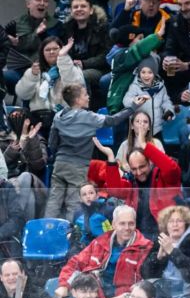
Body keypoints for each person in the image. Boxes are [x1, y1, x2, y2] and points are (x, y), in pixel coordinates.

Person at [46, 84, 144, 221]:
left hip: (60, 164)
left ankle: (47, 230)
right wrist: (132, 107)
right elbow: (112, 120)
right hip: (78, 166)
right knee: (73, 203)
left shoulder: (58, 116)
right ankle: (72, 235)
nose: (88, 97)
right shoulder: (88, 116)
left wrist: (60, 155)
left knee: (54, 200)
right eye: (85, 95)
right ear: (78, 100)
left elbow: (52, 143)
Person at [54, 204, 152, 298]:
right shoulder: (99, 243)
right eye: (122, 223)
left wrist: (127, 297)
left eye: (131, 223)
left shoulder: (144, 247)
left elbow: (147, 283)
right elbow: (76, 263)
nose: (127, 228)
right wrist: (64, 285)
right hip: (95, 296)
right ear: (114, 224)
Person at [98, 132, 181, 240]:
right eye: (134, 169)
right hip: (138, 238)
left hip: (164, 235)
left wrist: (145, 146)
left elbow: (172, 169)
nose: (138, 172)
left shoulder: (164, 178)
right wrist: (110, 158)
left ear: (150, 162)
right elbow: (115, 190)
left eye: (142, 167)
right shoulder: (132, 182)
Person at [142, 205, 190, 298]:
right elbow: (146, 274)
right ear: (166, 225)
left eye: (179, 221)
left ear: (186, 224)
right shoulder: (160, 241)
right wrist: (158, 258)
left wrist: (173, 252)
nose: (175, 224)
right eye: (171, 221)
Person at [15, 36, 83, 127]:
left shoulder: (71, 68)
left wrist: (63, 61)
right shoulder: (34, 70)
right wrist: (32, 76)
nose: (52, 52)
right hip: (38, 117)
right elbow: (23, 94)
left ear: (62, 50)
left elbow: (76, 91)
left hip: (65, 118)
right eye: (47, 50)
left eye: (55, 49)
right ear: (42, 53)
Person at [59, 0, 111, 100]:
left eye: (83, 6)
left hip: (98, 69)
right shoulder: (66, 29)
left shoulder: (102, 27)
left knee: (81, 76)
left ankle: (84, 110)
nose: (79, 9)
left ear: (91, 10)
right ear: (71, 11)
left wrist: (84, 64)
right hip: (72, 67)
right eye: (75, 7)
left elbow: (106, 56)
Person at [122, 58, 175, 138]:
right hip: (139, 129)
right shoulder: (135, 87)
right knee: (138, 149)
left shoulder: (160, 87)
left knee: (157, 149)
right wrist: (136, 100)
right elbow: (126, 101)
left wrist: (169, 111)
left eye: (150, 72)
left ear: (154, 73)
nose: (146, 76)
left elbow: (166, 101)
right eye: (143, 72)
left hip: (156, 129)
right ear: (139, 73)